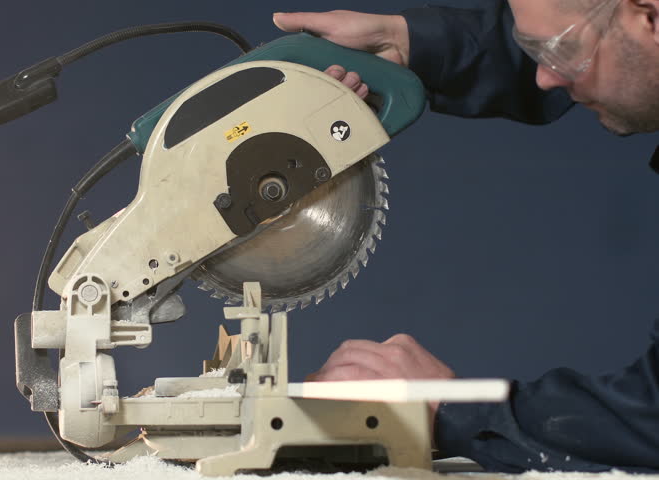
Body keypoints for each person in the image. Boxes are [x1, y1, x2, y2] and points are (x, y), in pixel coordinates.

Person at [273, 1, 659, 473]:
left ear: (651, 18)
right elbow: (575, 28)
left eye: (559, 52)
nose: (545, 78)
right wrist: (408, 41)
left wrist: (452, 408)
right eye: (535, 49)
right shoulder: (615, 30)